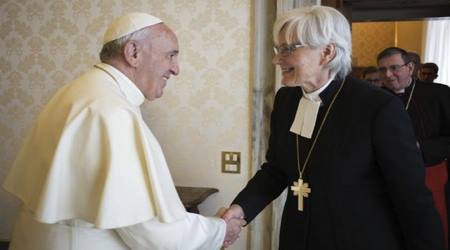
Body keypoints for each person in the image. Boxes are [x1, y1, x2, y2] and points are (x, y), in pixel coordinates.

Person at [3, 12, 245, 250]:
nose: (176, 69)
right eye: (170, 55)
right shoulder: (112, 111)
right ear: (133, 53)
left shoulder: (79, 91)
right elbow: (152, 233)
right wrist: (220, 230)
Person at [222, 6, 445, 250]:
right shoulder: (286, 100)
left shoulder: (378, 107)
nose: (277, 59)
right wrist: (240, 209)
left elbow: (412, 198)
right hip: (296, 238)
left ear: (327, 52)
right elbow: (276, 169)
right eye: (278, 49)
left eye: (288, 49)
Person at [377, 46, 450, 246]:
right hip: (387, 178)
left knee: (429, 231)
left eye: (394, 68)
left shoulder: (439, 94)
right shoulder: (373, 99)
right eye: (383, 70)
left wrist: (420, 147)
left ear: (410, 68)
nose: (388, 75)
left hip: (430, 173)